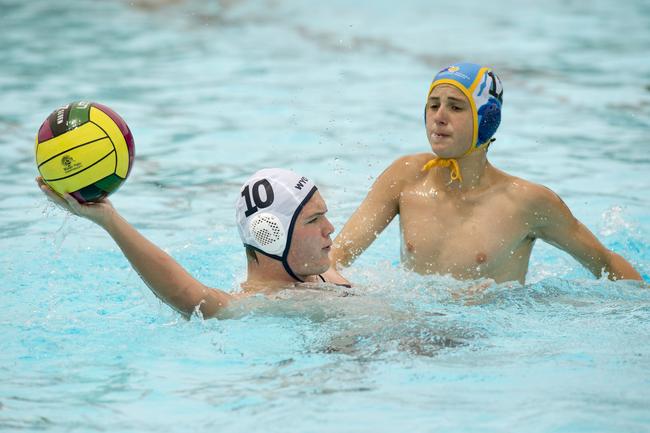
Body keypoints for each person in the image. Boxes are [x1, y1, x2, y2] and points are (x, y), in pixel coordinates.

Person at [331, 62, 642, 284]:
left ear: (487, 119)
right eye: (432, 105)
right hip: (416, 325)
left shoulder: (525, 202)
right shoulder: (406, 177)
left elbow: (604, 262)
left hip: (482, 340)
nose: (438, 117)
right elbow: (340, 252)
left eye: (455, 107)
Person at [37, 168, 350, 320]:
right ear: (271, 234)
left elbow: (402, 173)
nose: (330, 228)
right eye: (314, 220)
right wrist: (108, 219)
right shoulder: (258, 305)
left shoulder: (325, 268)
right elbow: (186, 294)